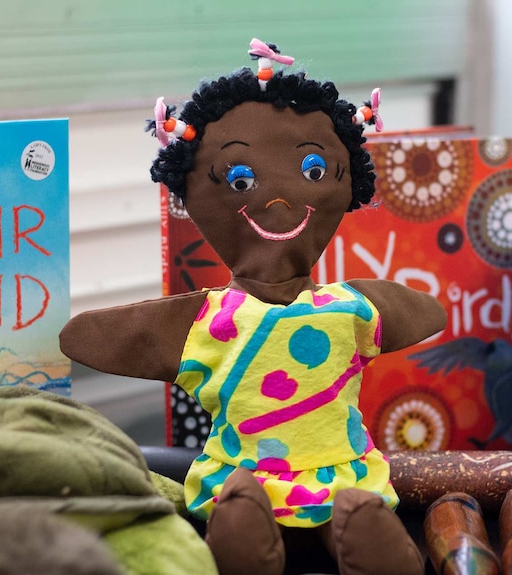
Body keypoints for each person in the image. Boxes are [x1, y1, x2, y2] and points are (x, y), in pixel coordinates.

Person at [60, 39, 446, 575]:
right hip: (245, 479)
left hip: (340, 480)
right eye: (239, 180)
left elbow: (419, 310)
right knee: (243, 510)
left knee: (357, 516)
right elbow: (109, 335)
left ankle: (354, 529)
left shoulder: (348, 308)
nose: (279, 197)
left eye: (314, 171)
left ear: (345, 178)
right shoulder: (214, 321)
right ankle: (251, 527)